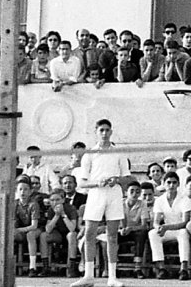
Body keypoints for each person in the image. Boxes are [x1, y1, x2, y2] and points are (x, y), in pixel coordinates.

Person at [72, 118, 129, 287]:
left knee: (112, 235)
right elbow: (81, 183)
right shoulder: (89, 154)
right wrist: (98, 183)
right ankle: (89, 276)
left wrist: (116, 179)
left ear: (111, 132)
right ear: (96, 132)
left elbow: (128, 177)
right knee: (90, 233)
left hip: (114, 194)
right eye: (101, 130)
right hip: (96, 195)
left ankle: (112, 277)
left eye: (107, 130)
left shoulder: (119, 153)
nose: (104, 133)